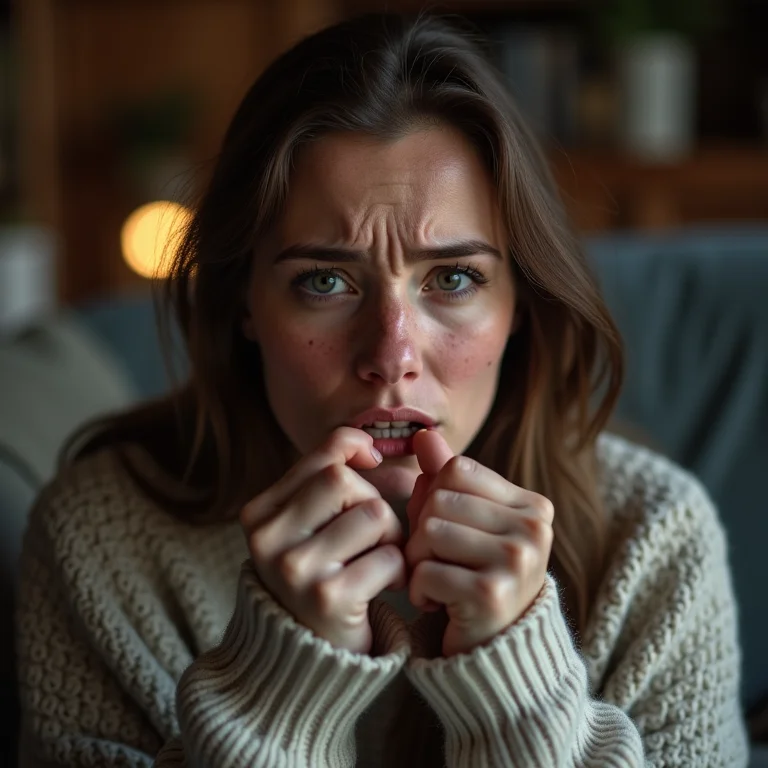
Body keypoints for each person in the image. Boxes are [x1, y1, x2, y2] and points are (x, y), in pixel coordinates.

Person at [16, 12, 748, 767]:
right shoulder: (100, 542)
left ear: (521, 305)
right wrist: (279, 689)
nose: (391, 355)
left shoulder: (656, 544)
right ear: (244, 305)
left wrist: (516, 690)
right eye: (325, 281)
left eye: (453, 278)